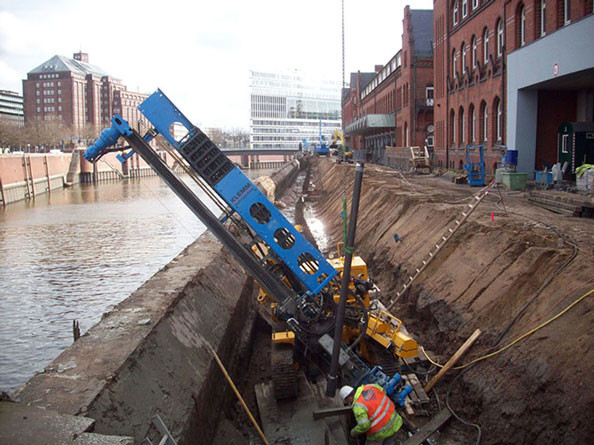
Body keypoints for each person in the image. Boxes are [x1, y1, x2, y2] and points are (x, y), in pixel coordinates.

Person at [339, 384, 406, 445]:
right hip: (395, 423)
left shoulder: (358, 406)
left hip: (380, 433)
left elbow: (364, 426)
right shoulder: (371, 387)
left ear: (349, 398)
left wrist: (353, 433)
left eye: (347, 401)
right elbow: (383, 391)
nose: (349, 403)